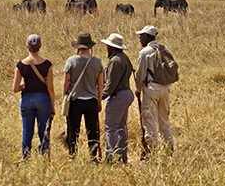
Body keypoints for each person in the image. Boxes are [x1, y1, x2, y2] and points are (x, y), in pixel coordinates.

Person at [13, 34, 55, 158]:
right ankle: (45, 158)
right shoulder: (47, 64)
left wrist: (23, 85)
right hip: (43, 99)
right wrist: (52, 106)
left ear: (27, 46)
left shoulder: (20, 65)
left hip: (27, 100)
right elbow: (50, 88)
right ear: (40, 46)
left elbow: (15, 89)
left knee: (27, 132)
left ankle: (26, 158)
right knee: (44, 132)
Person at [63, 32, 104, 159]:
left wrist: (65, 97)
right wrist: (99, 101)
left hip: (75, 100)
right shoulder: (97, 62)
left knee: (73, 130)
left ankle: (72, 156)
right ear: (90, 46)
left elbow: (66, 83)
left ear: (78, 46)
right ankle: (93, 157)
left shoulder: (71, 61)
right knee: (92, 130)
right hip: (91, 100)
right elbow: (100, 84)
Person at [135, 25, 174, 154]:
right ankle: (169, 148)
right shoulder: (165, 49)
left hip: (151, 88)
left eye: (141, 36)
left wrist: (138, 89)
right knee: (164, 120)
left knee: (149, 119)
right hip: (165, 88)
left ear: (146, 37)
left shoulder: (145, 52)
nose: (140, 39)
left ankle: (152, 150)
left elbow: (140, 75)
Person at [100, 33, 134, 163]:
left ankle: (111, 157)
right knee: (121, 127)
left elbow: (110, 85)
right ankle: (122, 156)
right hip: (126, 93)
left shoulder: (114, 61)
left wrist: (100, 97)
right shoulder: (124, 58)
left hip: (118, 95)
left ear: (111, 47)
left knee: (111, 127)